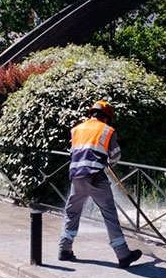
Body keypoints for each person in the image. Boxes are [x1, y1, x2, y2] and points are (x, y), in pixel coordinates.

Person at [58, 100, 143, 268]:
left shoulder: (77, 129)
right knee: (109, 214)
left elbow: (76, 151)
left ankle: (64, 249)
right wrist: (108, 162)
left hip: (76, 176)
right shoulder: (108, 130)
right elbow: (115, 155)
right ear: (107, 117)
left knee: (72, 212)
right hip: (96, 177)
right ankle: (123, 254)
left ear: (92, 114)